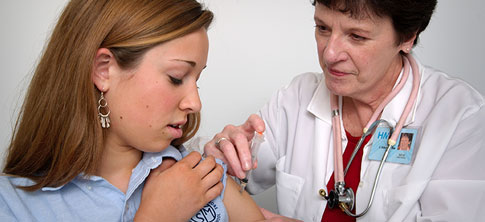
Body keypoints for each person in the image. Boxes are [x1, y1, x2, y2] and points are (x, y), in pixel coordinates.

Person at [204, 0, 485, 221]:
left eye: (357, 36)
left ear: (407, 37)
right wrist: (223, 157)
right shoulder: (296, 97)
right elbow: (233, 181)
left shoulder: (459, 115)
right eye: (323, 28)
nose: (329, 54)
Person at [0, 0, 264, 221]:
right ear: (104, 70)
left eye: (197, 81)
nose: (195, 103)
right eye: (176, 76)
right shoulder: (12, 204)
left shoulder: (205, 178)